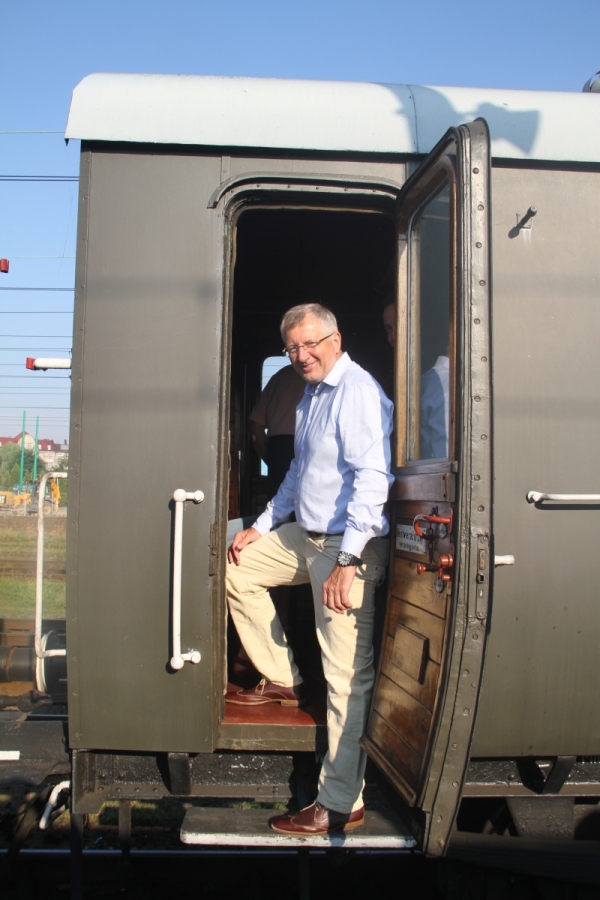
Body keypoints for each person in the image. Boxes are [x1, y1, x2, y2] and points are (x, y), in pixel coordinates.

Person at [226, 303, 393, 835]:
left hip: (346, 545)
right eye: (292, 348)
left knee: (345, 677)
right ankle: (286, 679)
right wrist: (262, 525)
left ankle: (341, 802)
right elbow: (298, 471)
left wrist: (348, 562)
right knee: (236, 566)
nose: (301, 356)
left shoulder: (357, 392)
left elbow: (373, 480)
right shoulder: (312, 395)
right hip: (307, 534)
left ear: (335, 340)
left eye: (310, 344)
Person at [382, 301, 449, 459]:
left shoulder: (441, 382)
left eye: (401, 324)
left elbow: (443, 456)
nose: (393, 336)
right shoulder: (396, 377)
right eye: (389, 329)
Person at [248, 363, 306, 499]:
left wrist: (271, 460)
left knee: (279, 504)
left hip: (279, 450)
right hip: (309, 446)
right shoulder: (326, 377)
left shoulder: (280, 377)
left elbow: (255, 427)